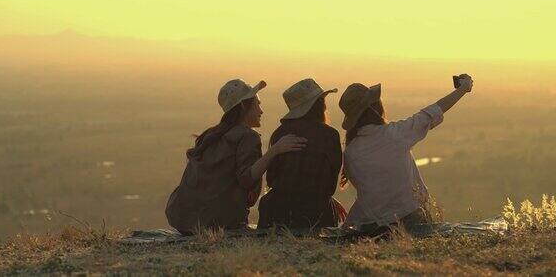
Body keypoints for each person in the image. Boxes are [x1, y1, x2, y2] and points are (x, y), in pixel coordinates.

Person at [165, 79, 306, 235]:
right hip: (218, 223)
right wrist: (275, 150)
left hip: (184, 219)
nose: (261, 111)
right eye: (257, 105)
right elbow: (246, 178)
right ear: (244, 106)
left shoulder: (212, 134)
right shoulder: (248, 136)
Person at [339, 74, 474, 236]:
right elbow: (433, 111)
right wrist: (463, 89)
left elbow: (371, 193)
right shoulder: (395, 134)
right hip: (410, 220)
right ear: (377, 107)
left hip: (370, 226)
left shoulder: (350, 153)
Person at [258, 78, 345, 230]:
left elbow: (272, 179)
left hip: (278, 215)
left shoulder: (280, 134)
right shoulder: (330, 135)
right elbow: (330, 184)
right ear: (319, 105)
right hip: (317, 215)